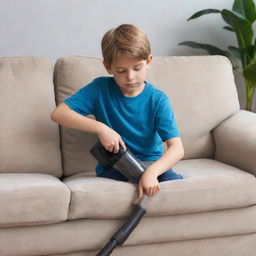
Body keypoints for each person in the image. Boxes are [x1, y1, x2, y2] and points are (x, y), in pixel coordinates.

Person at [51, 24, 184, 199]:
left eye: (137, 68)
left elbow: (177, 148)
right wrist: (101, 128)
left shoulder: (158, 100)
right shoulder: (99, 89)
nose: (130, 77)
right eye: (121, 71)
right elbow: (58, 114)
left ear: (149, 61)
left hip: (151, 165)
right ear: (108, 67)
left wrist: (151, 173)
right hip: (116, 166)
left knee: (174, 187)